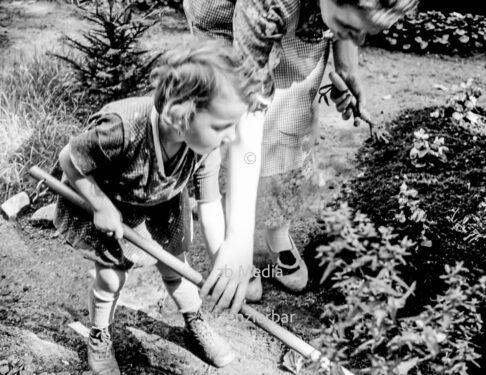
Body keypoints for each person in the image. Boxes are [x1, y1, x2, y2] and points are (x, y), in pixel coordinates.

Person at [184, 0, 419, 303]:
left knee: (289, 120)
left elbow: (344, 20)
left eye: (365, 33)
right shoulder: (269, 5)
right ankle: (232, 240)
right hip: (222, 15)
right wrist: (240, 240)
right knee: (227, 120)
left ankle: (276, 232)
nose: (359, 40)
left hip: (301, 15)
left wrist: (347, 69)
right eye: (351, 28)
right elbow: (248, 112)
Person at [53, 38, 252, 373]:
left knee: (177, 268)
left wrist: (224, 267)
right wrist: (100, 206)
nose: (232, 136)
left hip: (163, 204)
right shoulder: (120, 127)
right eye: (222, 126)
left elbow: (210, 203)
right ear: (180, 114)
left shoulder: (205, 145)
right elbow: (69, 160)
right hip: (114, 203)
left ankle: (195, 320)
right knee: (111, 278)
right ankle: (100, 333)